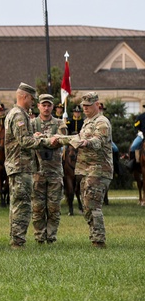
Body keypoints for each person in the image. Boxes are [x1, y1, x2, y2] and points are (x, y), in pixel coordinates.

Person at [55, 92, 112, 248]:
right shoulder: (87, 122)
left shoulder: (102, 122)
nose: (85, 109)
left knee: (93, 206)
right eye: (83, 106)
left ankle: (99, 241)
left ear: (97, 105)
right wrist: (51, 137)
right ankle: (95, 236)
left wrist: (87, 142)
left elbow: (98, 140)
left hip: (98, 170)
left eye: (88, 106)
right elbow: (76, 138)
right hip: (86, 170)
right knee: (87, 206)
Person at [4, 83, 56, 248]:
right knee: (23, 205)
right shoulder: (19, 115)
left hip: (19, 165)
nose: (33, 102)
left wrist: (34, 135)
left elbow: (23, 137)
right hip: (21, 166)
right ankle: (18, 242)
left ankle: (15, 239)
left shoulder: (17, 113)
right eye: (32, 99)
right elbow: (24, 141)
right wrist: (45, 140)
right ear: (25, 97)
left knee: (17, 203)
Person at [31, 94, 67, 244]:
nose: (46, 108)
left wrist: (41, 137)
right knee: (38, 208)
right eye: (43, 105)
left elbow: (61, 139)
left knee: (54, 208)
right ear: (38, 106)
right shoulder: (32, 123)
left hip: (55, 172)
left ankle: (51, 237)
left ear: (53, 107)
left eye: (49, 105)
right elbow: (26, 139)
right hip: (37, 172)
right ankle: (40, 237)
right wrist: (40, 137)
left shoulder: (60, 123)